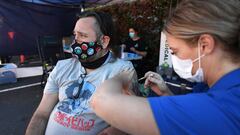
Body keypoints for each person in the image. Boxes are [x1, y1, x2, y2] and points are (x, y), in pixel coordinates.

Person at [90, 0, 240, 135]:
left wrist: (122, 75)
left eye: (175, 51)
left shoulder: (227, 105)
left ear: (205, 45)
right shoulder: (209, 87)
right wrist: (166, 95)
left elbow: (101, 100)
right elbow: (188, 125)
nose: (174, 59)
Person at [25, 11, 139, 135]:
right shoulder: (63, 67)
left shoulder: (122, 71)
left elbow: (127, 123)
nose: (75, 42)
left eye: (83, 35)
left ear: (104, 41)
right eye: (75, 35)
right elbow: (41, 114)